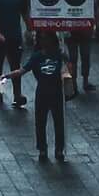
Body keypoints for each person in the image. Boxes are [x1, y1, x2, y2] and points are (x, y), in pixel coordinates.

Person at [22, 28, 69, 163]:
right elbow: (23, 70)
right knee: (40, 122)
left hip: (57, 92)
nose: (43, 41)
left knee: (59, 121)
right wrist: (6, 76)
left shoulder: (59, 54)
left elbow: (68, 63)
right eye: (41, 38)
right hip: (42, 92)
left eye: (45, 38)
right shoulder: (37, 56)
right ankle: (42, 148)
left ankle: (59, 148)